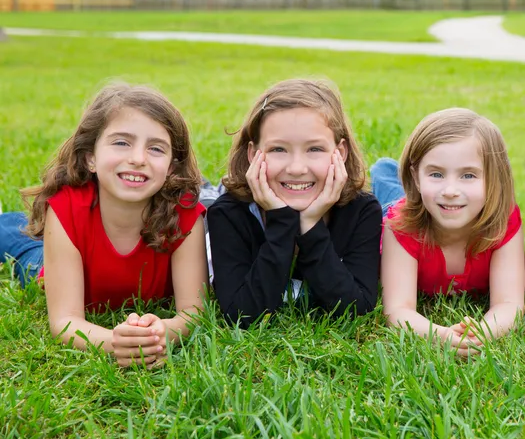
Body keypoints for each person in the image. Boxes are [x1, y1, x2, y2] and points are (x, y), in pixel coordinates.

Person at [0, 83, 208, 368]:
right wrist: (116, 343)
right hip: (52, 265)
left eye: (156, 148)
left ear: (171, 167)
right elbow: (64, 321)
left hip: (80, 247)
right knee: (20, 244)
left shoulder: (186, 214)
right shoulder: (67, 208)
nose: (137, 159)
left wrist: (160, 333)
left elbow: (194, 314)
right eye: (121, 142)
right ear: (91, 157)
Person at [207, 79, 382, 327]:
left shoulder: (362, 211)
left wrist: (310, 225)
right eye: (278, 149)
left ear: (340, 153)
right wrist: (281, 221)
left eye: (314, 149)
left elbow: (356, 309)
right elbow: (242, 315)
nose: (297, 168)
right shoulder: (227, 214)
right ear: (253, 154)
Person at [372, 108, 524, 356]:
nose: (451, 189)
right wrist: (442, 335)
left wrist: (482, 333)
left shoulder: (503, 221)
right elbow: (397, 310)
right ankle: (385, 171)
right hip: (413, 209)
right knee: (388, 191)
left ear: (494, 178)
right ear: (416, 177)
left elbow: (510, 303)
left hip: (432, 203)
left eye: (468, 175)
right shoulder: (399, 225)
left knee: (416, 192)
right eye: (436, 173)